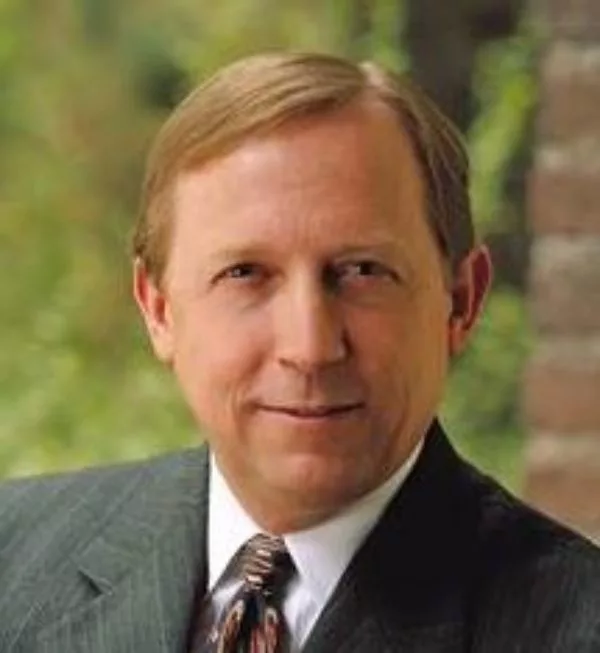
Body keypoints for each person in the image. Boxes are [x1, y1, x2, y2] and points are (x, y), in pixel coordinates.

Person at [0, 52, 599, 653]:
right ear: (158, 310)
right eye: (245, 274)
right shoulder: (13, 556)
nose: (310, 348)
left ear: (461, 301)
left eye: (362, 271)